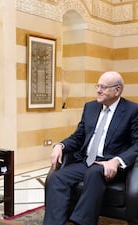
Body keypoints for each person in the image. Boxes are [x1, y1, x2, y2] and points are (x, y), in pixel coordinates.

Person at [43, 71, 138, 225]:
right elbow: (78, 137)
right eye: (98, 86)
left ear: (117, 90)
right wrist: (60, 145)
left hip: (109, 164)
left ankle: (81, 222)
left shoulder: (132, 110)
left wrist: (117, 161)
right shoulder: (90, 107)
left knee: (94, 173)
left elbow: (137, 144)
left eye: (104, 87)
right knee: (57, 177)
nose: (98, 90)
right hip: (86, 161)